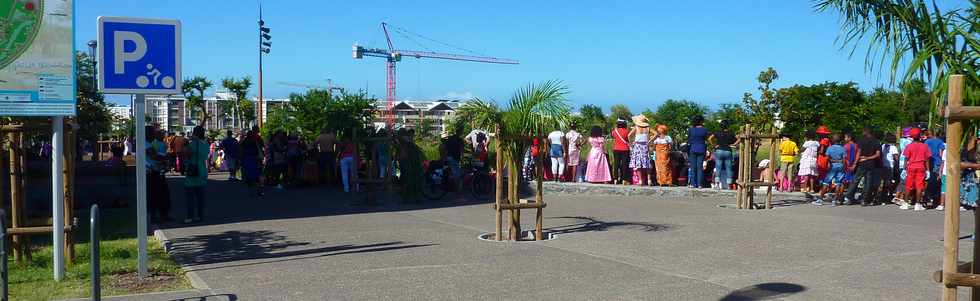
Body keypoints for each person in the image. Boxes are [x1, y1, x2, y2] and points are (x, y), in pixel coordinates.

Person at [844, 127, 882, 206]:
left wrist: (855, 163)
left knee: (856, 180)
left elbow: (859, 152)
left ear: (866, 132)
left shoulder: (861, 141)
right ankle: (864, 199)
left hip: (862, 163)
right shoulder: (876, 141)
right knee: (868, 182)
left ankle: (849, 197)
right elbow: (878, 154)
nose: (862, 132)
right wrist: (868, 158)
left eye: (863, 131)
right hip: (871, 164)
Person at [181, 126, 209, 223]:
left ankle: (190, 217)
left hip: (192, 171)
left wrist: (186, 145)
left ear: (194, 133)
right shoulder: (206, 144)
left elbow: (185, 154)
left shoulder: (192, 144)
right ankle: (200, 216)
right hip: (203, 170)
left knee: (190, 196)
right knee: (201, 197)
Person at [146, 126, 172, 223]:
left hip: (158, 170)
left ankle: (162, 214)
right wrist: (166, 158)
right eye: (154, 133)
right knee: (156, 194)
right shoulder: (149, 144)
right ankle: (155, 215)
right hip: (153, 171)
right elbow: (155, 156)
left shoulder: (152, 144)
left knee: (161, 193)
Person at [902, 128, 931, 210]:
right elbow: (927, 159)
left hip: (911, 167)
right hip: (921, 167)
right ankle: (917, 204)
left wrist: (904, 169)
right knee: (919, 186)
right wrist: (928, 170)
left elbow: (906, 158)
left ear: (911, 136)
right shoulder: (925, 146)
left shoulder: (909, 146)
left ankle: (905, 203)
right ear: (920, 136)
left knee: (908, 186)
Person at [814, 135, 847, 206]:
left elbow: (828, 158)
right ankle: (834, 200)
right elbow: (844, 160)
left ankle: (820, 199)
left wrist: (831, 162)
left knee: (826, 182)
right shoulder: (843, 148)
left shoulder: (830, 148)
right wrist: (843, 167)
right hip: (840, 165)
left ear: (833, 141)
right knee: (838, 183)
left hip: (832, 166)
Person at [396, 129, 424, 202]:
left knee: (407, 180)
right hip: (411, 163)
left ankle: (407, 197)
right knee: (412, 180)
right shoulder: (408, 141)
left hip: (406, 163)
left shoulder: (401, 141)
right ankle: (414, 197)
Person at [709, 120, 737, 190]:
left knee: (718, 168)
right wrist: (734, 144)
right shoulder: (731, 133)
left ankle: (717, 184)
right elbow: (739, 138)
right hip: (728, 151)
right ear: (727, 125)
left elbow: (709, 138)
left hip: (719, 150)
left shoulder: (717, 132)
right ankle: (729, 185)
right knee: (729, 168)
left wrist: (714, 145)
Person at [240, 128, 266, 197]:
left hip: (247, 159)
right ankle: (259, 190)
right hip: (255, 159)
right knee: (258, 174)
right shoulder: (256, 140)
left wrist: (241, 159)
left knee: (249, 175)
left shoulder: (245, 141)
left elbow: (241, 150)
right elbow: (261, 148)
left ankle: (251, 190)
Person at [628, 115, 652, 186]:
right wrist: (650, 140)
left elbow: (629, 135)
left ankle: (640, 180)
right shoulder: (647, 128)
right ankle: (649, 180)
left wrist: (631, 143)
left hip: (638, 146)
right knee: (647, 163)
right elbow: (656, 134)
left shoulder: (636, 127)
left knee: (638, 163)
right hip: (645, 146)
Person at [924, 130, 946, 206]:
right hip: (937, 163)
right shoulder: (940, 142)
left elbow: (925, 152)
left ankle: (927, 197)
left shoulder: (927, 141)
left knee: (928, 180)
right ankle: (935, 199)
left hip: (929, 162)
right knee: (937, 182)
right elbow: (941, 153)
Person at [687, 115, 708, 188]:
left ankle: (693, 183)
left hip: (693, 148)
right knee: (700, 167)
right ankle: (700, 184)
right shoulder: (705, 130)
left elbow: (688, 140)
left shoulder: (691, 129)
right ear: (701, 121)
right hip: (701, 148)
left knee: (693, 167)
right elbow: (705, 139)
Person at [879, 133, 900, 204]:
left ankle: (881, 196)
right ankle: (886, 197)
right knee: (888, 183)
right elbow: (896, 158)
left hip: (882, 166)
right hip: (889, 167)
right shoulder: (893, 147)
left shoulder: (883, 146)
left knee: (884, 182)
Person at [611, 119, 631, 185]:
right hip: (625, 149)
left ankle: (615, 179)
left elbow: (613, 137)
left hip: (616, 148)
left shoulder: (614, 131)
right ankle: (624, 179)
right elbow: (629, 140)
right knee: (624, 165)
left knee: (616, 164)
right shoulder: (627, 131)